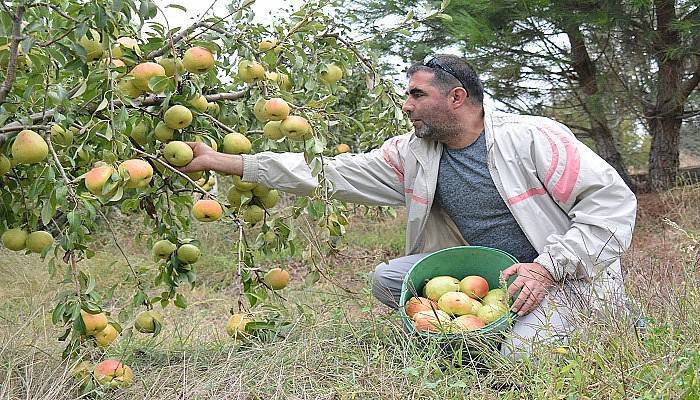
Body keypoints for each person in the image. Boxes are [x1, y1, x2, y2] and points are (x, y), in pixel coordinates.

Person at [176, 54, 638, 359]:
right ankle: (484, 329)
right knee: (390, 279)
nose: (405, 105)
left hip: (563, 276)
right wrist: (224, 161)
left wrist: (548, 267)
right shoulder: (415, 153)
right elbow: (330, 173)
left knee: (521, 356)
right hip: (489, 275)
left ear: (457, 98)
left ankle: (592, 321)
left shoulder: (533, 138)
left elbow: (612, 205)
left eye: (417, 95)